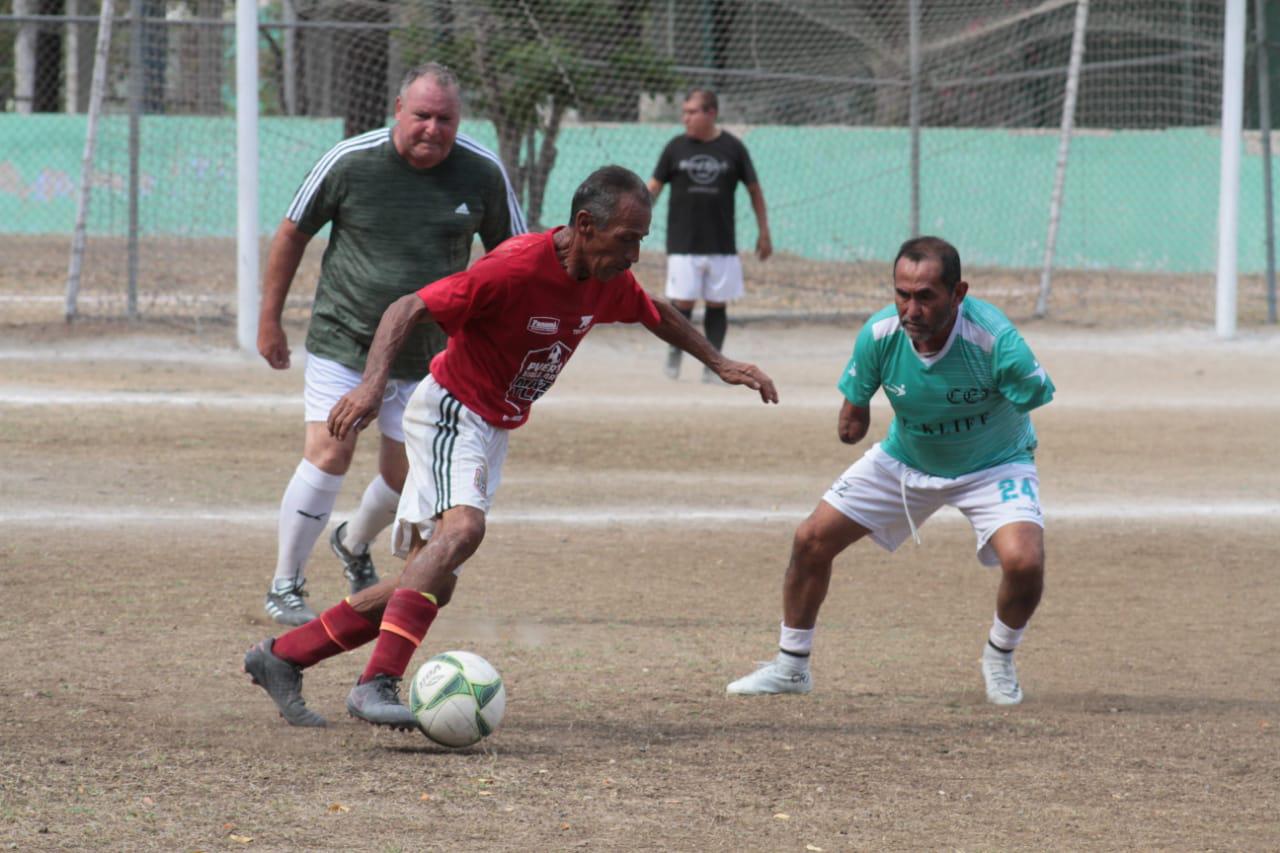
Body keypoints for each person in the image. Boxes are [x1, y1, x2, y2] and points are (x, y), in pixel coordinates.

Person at [244, 165, 779, 729]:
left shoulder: (605, 278)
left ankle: (282, 658)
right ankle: (376, 684)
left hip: (491, 424)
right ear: (584, 225)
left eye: (642, 241)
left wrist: (720, 362)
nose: (635, 256)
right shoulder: (517, 266)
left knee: (431, 580)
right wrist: (373, 384)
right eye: (628, 239)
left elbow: (656, 312)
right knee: (463, 533)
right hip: (454, 408)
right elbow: (407, 307)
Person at [726, 236, 1054, 706]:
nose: (911, 309)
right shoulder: (880, 334)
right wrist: (852, 420)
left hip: (994, 464)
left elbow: (1034, 393)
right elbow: (854, 411)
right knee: (810, 540)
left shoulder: (994, 339)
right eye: (902, 294)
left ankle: (999, 657)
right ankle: (791, 667)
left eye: (925, 297)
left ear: (958, 293)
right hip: (906, 459)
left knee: (1025, 563)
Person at [256, 62, 526, 626]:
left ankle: (352, 543)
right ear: (398, 110)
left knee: (407, 479)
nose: (432, 128)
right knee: (332, 448)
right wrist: (269, 320)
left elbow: (517, 261)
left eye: (445, 119)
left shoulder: (481, 171)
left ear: (460, 120)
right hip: (345, 338)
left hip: (432, 352)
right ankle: (286, 583)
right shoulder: (350, 160)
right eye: (421, 115)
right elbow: (291, 234)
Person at [648, 88, 772, 383]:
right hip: (683, 243)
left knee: (717, 304)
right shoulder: (675, 147)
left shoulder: (733, 148)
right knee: (682, 304)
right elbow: (653, 187)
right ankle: (674, 357)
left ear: (711, 113)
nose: (685, 118)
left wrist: (764, 232)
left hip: (721, 243)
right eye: (685, 112)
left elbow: (754, 190)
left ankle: (714, 368)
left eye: (692, 112)